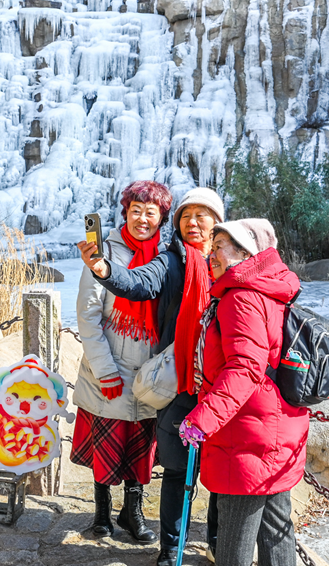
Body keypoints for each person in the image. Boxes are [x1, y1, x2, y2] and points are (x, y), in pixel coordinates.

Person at [78, 187, 225, 566]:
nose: (193, 223)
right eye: (187, 216)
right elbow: (135, 285)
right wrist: (103, 269)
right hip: (164, 377)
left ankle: (212, 539)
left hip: (210, 381)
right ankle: (158, 544)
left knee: (153, 453)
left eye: (201, 216)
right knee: (165, 463)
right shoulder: (171, 261)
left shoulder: (228, 260)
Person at [179, 219, 309, 566]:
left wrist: (201, 420)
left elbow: (245, 368)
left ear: (244, 253)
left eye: (220, 245)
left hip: (246, 436)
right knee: (276, 528)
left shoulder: (241, 297)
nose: (211, 252)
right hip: (275, 425)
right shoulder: (269, 290)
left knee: (235, 535)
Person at [72, 180, 173, 544]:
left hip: (148, 370)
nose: (142, 219)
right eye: (136, 211)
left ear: (162, 218)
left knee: (141, 445)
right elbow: (87, 314)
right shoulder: (103, 252)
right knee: (107, 441)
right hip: (109, 366)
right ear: (125, 213)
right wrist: (105, 370)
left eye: (151, 212)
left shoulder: (166, 257)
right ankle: (100, 514)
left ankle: (132, 513)